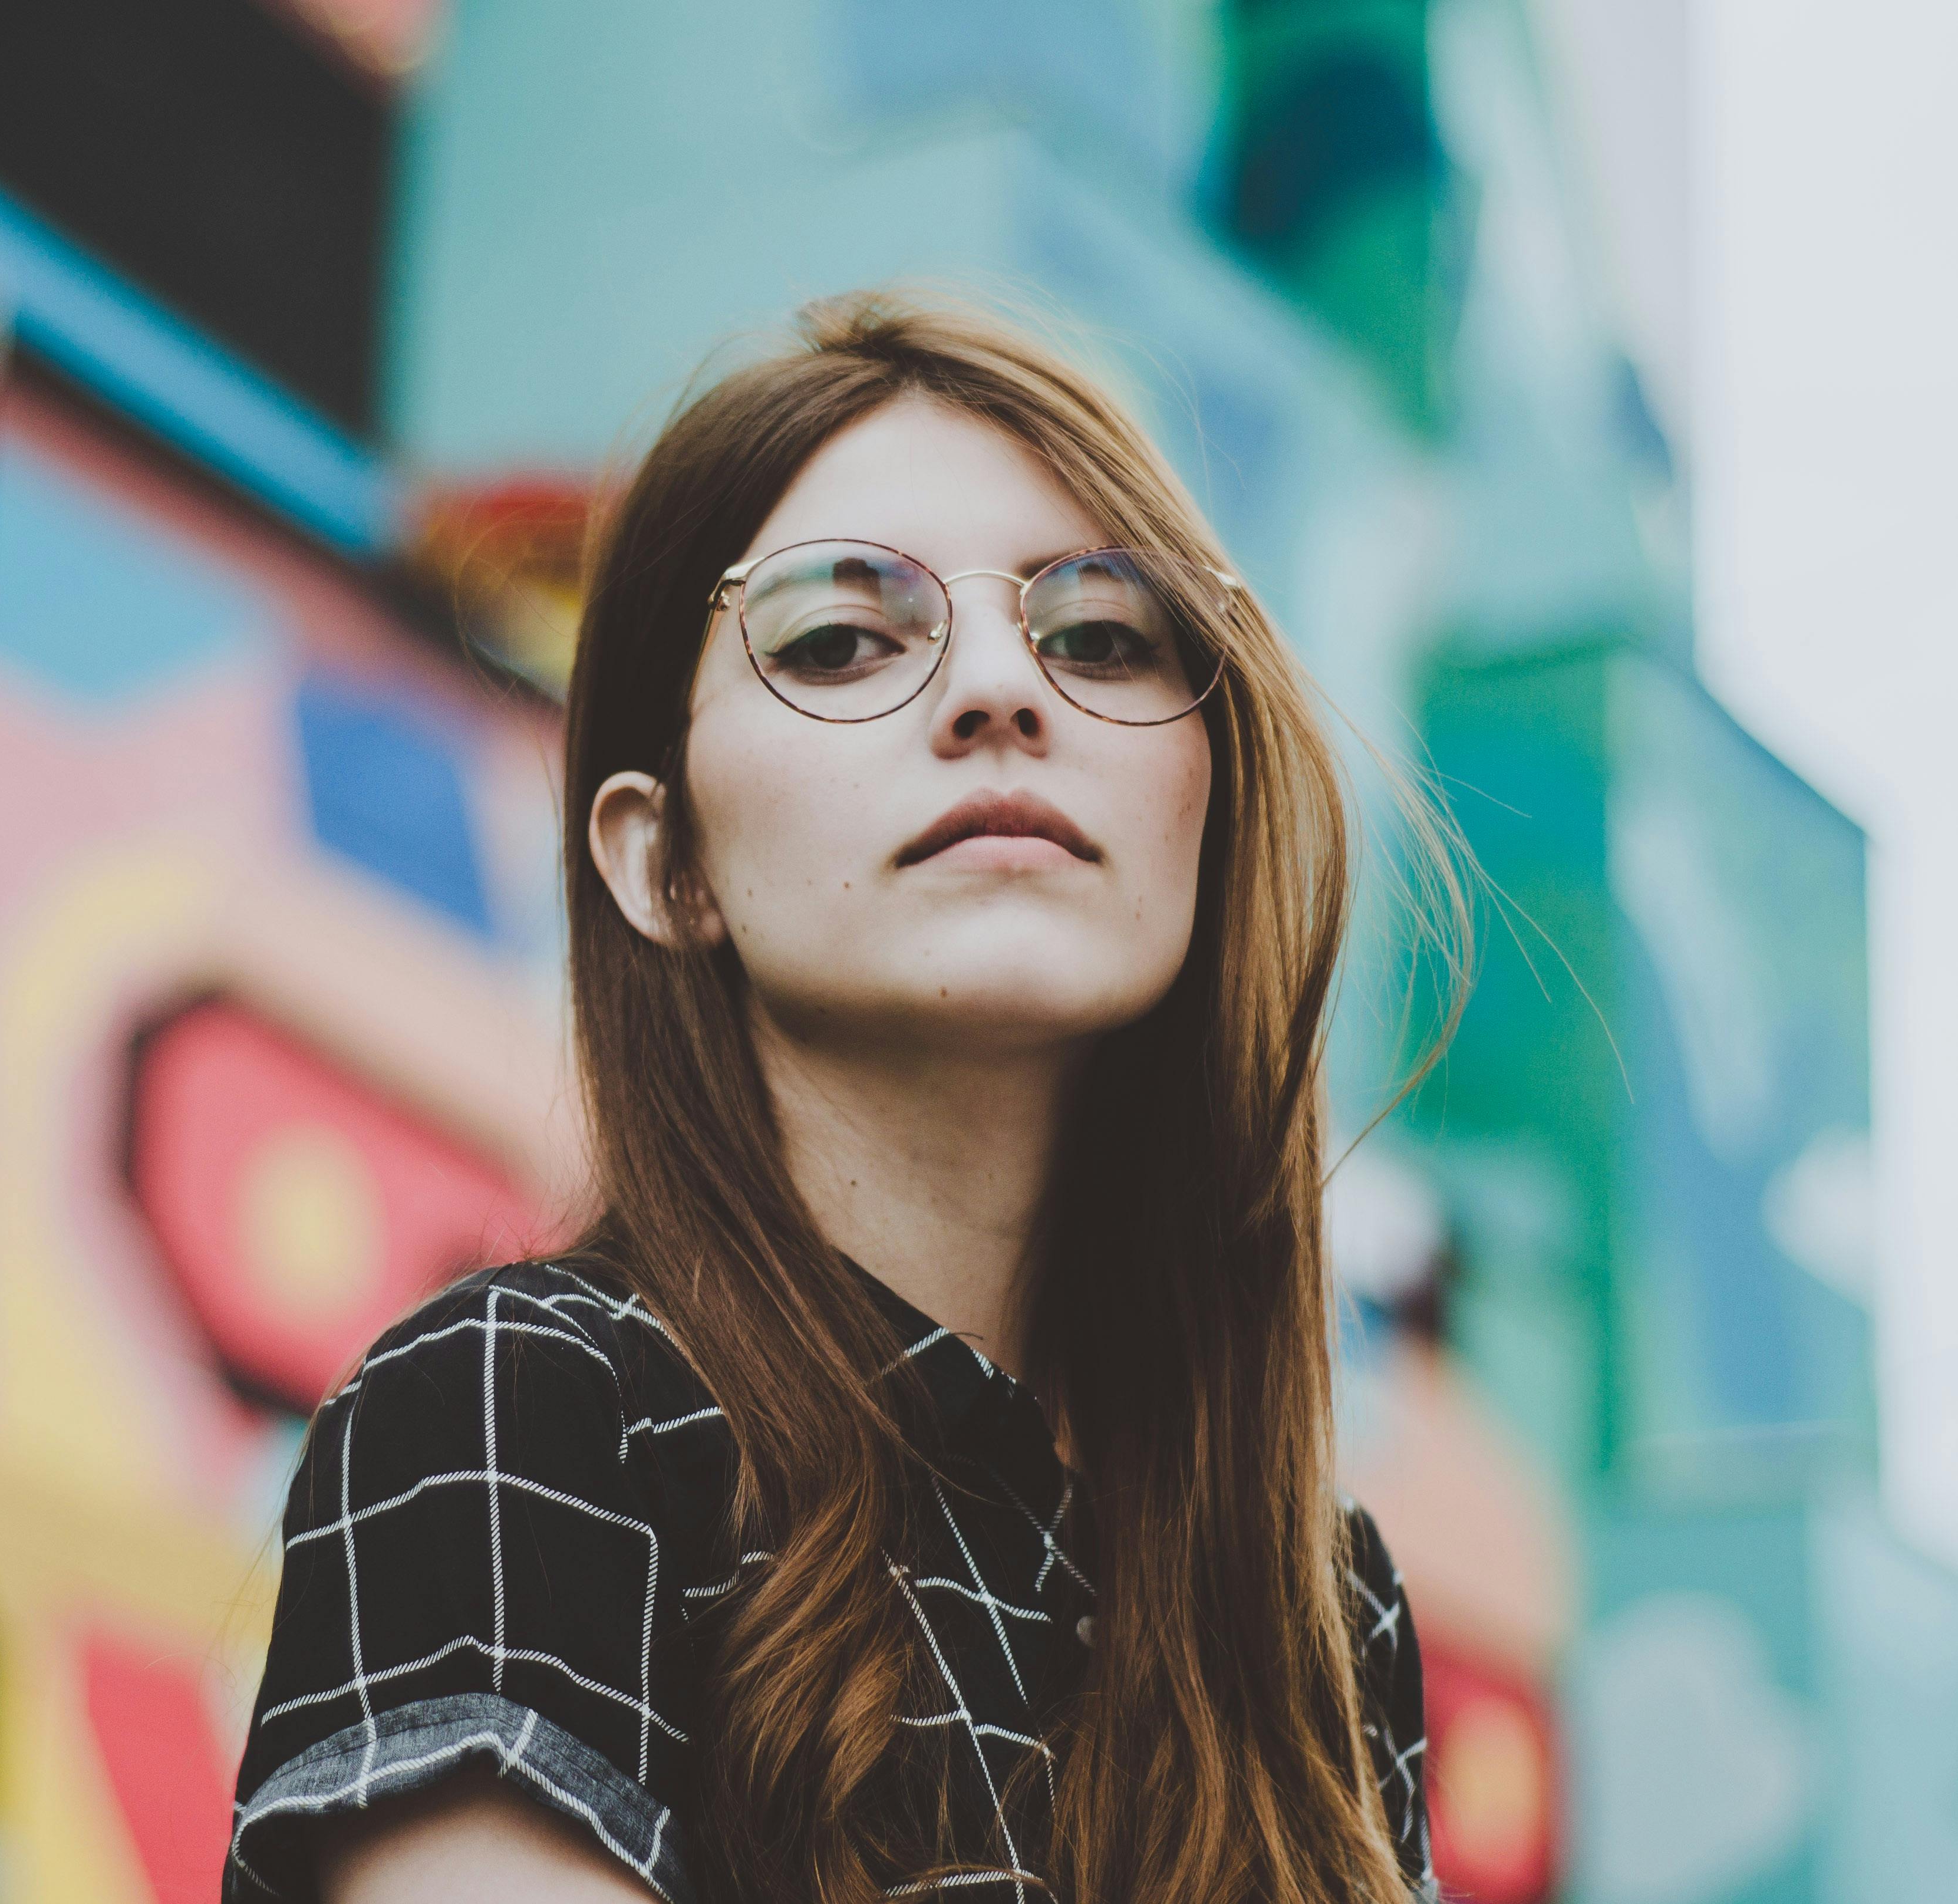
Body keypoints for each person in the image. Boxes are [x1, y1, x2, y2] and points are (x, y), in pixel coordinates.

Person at [222, 292, 1446, 1904]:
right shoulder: (526, 1407)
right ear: (661, 862)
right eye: (839, 639)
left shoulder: (1320, 1609)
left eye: (1100, 635)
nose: (1002, 690)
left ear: (1204, 809)